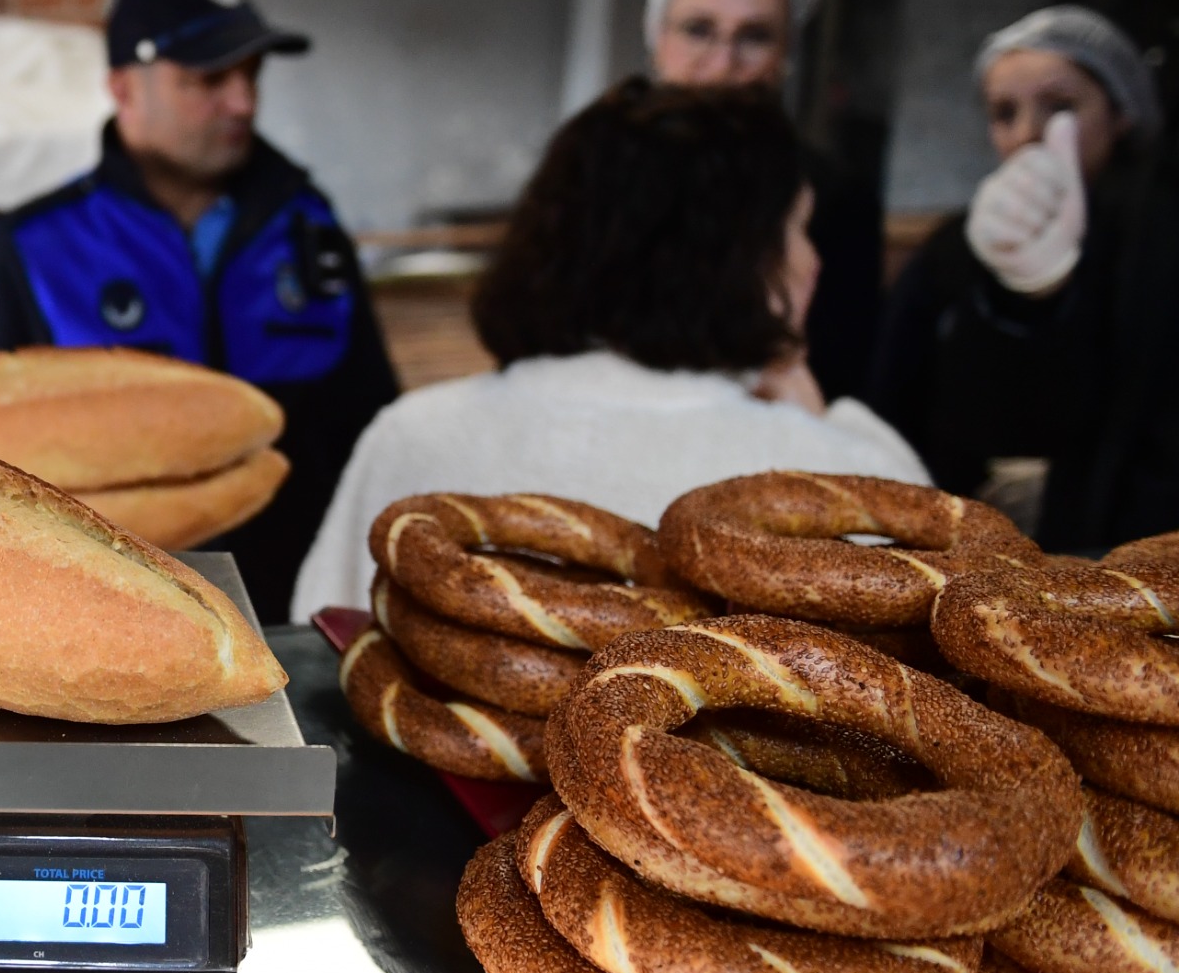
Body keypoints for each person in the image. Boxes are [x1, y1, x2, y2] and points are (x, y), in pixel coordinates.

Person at [291, 79, 927, 616]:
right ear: (747, 263)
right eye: (797, 230)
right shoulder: (839, 476)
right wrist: (819, 417)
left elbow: (322, 643)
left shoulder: (410, 435)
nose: (812, 260)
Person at [0, 0, 399, 627]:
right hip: (103, 613)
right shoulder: (33, 246)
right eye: (209, 79)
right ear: (122, 88)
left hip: (294, 616)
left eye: (251, 75)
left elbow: (371, 422)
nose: (243, 102)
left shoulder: (310, 226)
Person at [869, 6, 1176, 548]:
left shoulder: (1156, 247)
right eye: (1004, 113)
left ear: (1121, 112)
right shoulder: (954, 249)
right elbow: (896, 398)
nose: (1029, 134)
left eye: (1060, 108)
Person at [643, 0, 884, 402]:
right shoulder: (593, 178)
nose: (723, 62)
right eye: (698, 29)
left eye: (754, 37)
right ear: (658, 40)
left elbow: (843, 368)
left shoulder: (833, 194)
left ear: (784, 58)